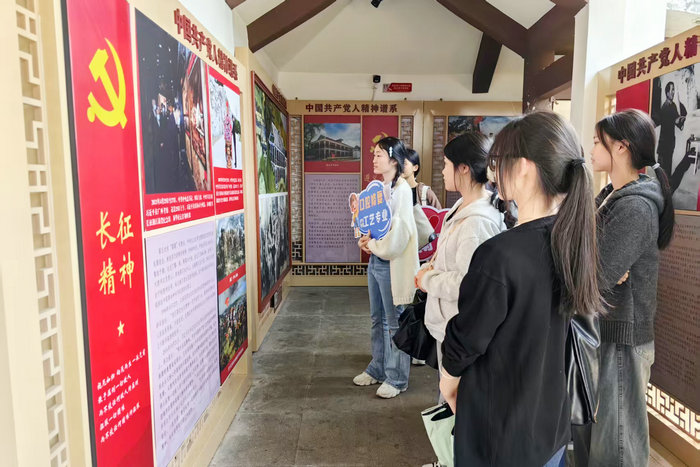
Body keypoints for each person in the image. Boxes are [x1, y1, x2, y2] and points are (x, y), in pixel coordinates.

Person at [439, 112, 602, 466]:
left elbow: (465, 339)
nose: (493, 172)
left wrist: (447, 381)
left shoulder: (500, 255)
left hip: (501, 434)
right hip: (551, 429)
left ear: (524, 167)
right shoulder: (574, 241)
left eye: (499, 161)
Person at [572, 109, 675, 467]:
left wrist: (590, 264)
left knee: (616, 447)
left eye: (597, 142)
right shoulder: (611, 196)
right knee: (604, 439)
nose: (591, 149)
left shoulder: (634, 206)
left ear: (621, 147)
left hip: (623, 339)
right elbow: (586, 259)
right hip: (607, 332)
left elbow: (595, 277)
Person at [414, 132, 506, 381]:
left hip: (461, 331)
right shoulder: (461, 206)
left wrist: (426, 280)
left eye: (446, 164)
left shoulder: (477, 223)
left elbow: (469, 283)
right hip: (450, 326)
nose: (443, 171)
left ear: (464, 168)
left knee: (454, 397)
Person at [354, 137, 419, 399]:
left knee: (394, 322)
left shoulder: (402, 190)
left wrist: (374, 245)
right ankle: (378, 367)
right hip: (376, 260)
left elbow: (400, 234)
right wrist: (365, 239)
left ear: (394, 159)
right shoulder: (380, 188)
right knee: (376, 318)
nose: (374, 159)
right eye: (374, 154)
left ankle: (397, 377)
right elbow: (372, 224)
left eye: (379, 154)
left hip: (391, 262)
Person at [657, 81, 688, 192]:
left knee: (667, 170)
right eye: (671, 90)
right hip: (664, 145)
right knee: (663, 173)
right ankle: (663, 194)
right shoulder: (665, 107)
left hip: (670, 143)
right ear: (667, 93)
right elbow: (674, 120)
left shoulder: (673, 105)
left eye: (674, 89)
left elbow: (677, 120)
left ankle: (666, 192)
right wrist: (680, 119)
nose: (673, 92)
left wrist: (682, 119)